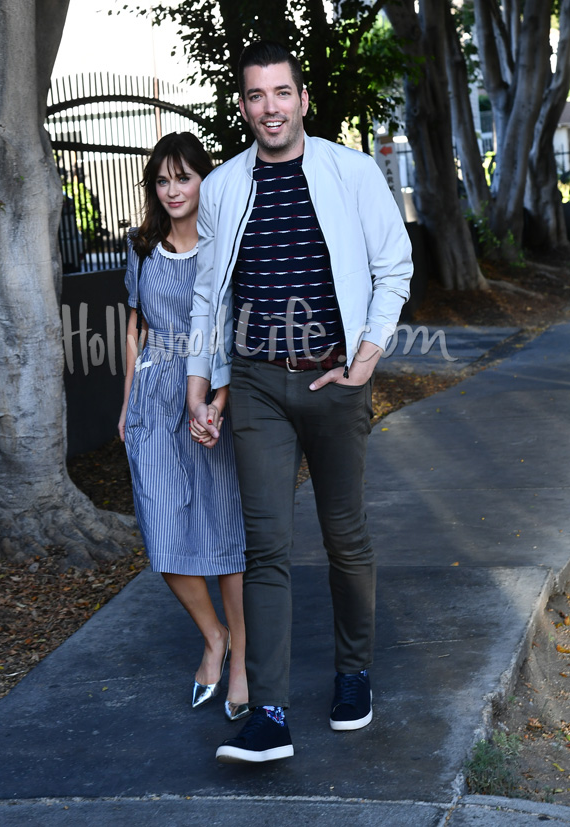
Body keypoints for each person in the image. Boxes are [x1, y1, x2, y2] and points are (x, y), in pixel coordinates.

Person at [186, 42, 413, 763]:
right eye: (256, 96)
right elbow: (208, 293)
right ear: (244, 105)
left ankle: (354, 673)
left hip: (335, 381)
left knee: (345, 535)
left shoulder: (350, 172)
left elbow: (393, 264)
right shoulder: (224, 186)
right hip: (257, 383)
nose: (270, 108)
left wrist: (366, 358)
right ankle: (270, 711)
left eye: (282, 93)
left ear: (303, 99)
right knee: (267, 547)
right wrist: (203, 377)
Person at [119, 132, 250, 722]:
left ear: (205, 180)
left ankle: (241, 660)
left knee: (224, 541)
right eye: (162, 180)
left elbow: (232, 331)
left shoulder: (226, 246)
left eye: (184, 177)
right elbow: (135, 330)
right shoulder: (142, 247)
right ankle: (213, 636)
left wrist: (218, 401)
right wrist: (126, 407)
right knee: (164, 537)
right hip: (152, 401)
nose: (172, 190)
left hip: (211, 397)